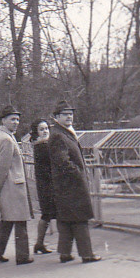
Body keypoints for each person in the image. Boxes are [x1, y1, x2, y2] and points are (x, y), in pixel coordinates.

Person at [48, 100, 101, 263]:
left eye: (71, 114)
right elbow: (62, 161)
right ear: (57, 117)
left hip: (65, 185)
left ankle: (65, 253)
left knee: (66, 220)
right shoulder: (58, 135)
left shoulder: (62, 132)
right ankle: (87, 254)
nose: (69, 116)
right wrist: (78, 173)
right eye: (65, 114)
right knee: (79, 219)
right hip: (70, 185)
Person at [0, 105, 34, 265]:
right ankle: (23, 256)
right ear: (3, 120)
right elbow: (2, 166)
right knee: (20, 220)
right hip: (12, 185)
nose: (16, 122)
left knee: (7, 219)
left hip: (8, 185)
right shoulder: (6, 139)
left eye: (18, 119)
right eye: (12, 119)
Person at [30, 119, 55, 254]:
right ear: (36, 132)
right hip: (48, 184)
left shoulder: (40, 145)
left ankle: (39, 243)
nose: (45, 131)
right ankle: (40, 243)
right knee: (49, 214)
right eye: (41, 129)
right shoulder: (43, 146)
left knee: (47, 214)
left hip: (45, 184)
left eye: (46, 128)